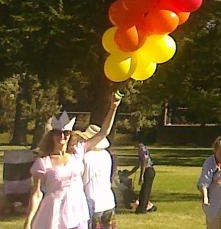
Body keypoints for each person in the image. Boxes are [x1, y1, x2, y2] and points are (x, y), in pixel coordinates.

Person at [23, 92, 122, 229]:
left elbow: (102, 133)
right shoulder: (43, 162)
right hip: (54, 214)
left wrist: (113, 108)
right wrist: (28, 221)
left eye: (66, 133)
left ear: (70, 134)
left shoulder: (77, 152)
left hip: (77, 212)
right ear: (52, 136)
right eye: (58, 133)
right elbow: (37, 193)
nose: (62, 136)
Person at [74, 124, 116, 229]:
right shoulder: (106, 155)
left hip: (93, 201)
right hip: (108, 200)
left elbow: (84, 180)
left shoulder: (87, 157)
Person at [126, 137, 155, 213]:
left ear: (137, 142)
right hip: (147, 170)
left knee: (145, 190)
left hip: (148, 170)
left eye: (134, 143)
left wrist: (141, 176)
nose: (133, 145)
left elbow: (144, 163)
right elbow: (139, 163)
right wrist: (131, 172)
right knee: (143, 190)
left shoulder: (142, 149)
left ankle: (143, 209)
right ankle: (141, 207)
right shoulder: (141, 149)